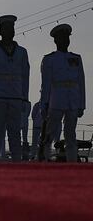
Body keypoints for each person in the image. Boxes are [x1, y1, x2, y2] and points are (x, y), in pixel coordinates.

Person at [0, 15, 30, 163]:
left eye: (11, 28)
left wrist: (25, 98)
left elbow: (26, 77)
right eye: (6, 28)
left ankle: (17, 164)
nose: (9, 31)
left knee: (15, 135)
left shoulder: (22, 52)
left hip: (15, 95)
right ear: (0, 31)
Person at [39, 24, 86, 162]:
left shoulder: (76, 58)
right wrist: (44, 104)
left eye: (67, 37)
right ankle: (46, 159)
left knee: (70, 134)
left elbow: (81, 82)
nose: (65, 40)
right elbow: (46, 84)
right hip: (56, 99)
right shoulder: (49, 59)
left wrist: (82, 104)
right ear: (56, 41)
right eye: (62, 38)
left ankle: (72, 162)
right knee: (50, 134)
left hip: (73, 99)